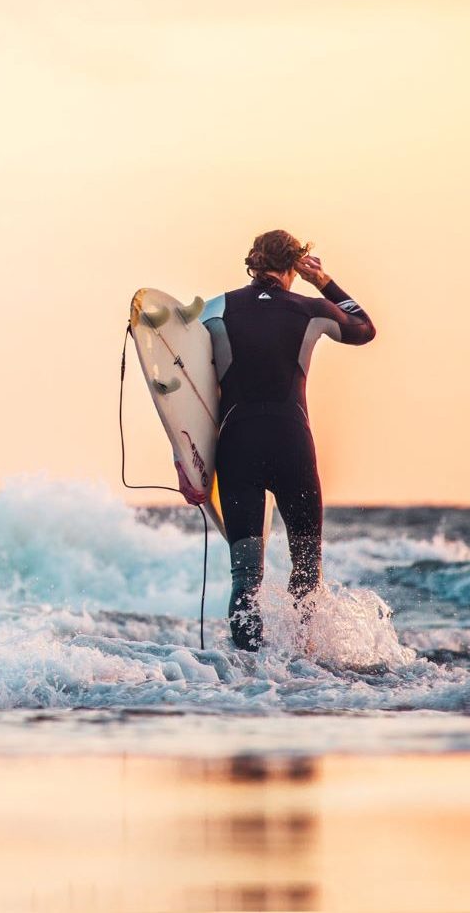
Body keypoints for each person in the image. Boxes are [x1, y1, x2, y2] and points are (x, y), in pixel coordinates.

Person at [200, 230, 375, 650]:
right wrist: (323, 281)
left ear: (252, 261)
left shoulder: (213, 310)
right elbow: (365, 328)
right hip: (291, 445)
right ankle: (303, 666)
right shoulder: (309, 307)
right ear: (294, 265)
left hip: (236, 447)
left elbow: (176, 375)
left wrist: (190, 464)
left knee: (245, 577)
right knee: (306, 571)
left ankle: (248, 676)